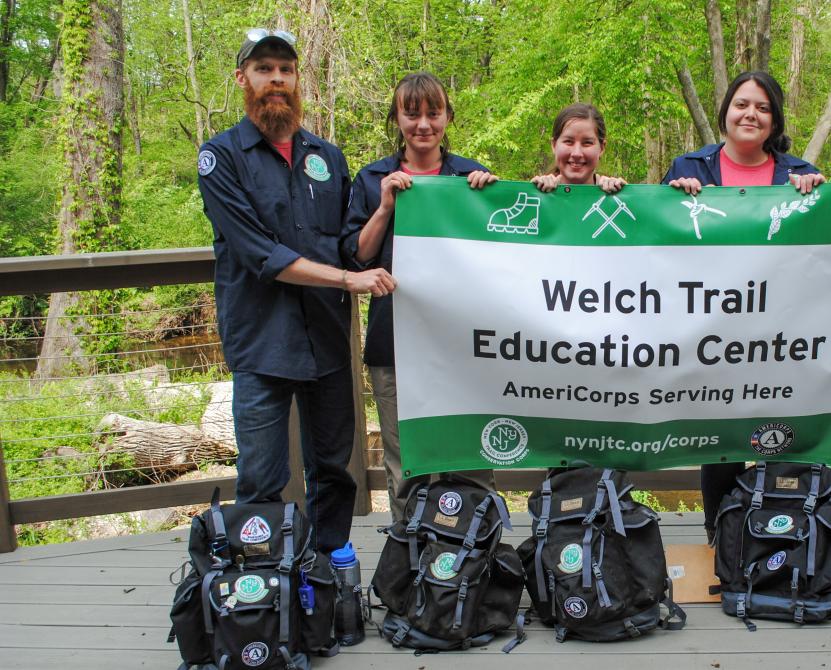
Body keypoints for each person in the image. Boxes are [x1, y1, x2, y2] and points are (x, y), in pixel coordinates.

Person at [197, 29, 395, 552]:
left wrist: (386, 212)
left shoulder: (327, 157)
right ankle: (265, 587)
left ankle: (327, 571)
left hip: (326, 341)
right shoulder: (221, 158)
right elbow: (261, 254)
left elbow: (348, 246)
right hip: (262, 343)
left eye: (285, 70)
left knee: (333, 468)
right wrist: (347, 280)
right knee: (262, 475)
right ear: (243, 80)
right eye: (264, 70)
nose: (277, 80)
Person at [662, 71, 824, 544]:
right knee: (720, 442)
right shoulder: (689, 166)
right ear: (726, 112)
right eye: (741, 104)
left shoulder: (798, 173)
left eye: (763, 107)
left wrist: (822, 194)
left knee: (777, 434)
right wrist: (672, 196)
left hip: (776, 333)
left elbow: (823, 245)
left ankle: (777, 538)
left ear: (774, 120)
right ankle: (721, 537)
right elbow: (658, 246)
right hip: (711, 331)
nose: (750, 114)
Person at [340, 72, 496, 523]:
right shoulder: (372, 178)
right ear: (397, 119)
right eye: (412, 114)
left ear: (448, 117)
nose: (423, 124)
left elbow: (502, 254)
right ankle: (410, 557)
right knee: (405, 458)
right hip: (395, 340)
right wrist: (386, 205)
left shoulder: (469, 175)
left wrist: (490, 198)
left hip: (466, 344)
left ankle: (473, 551)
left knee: (469, 453)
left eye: (433, 113)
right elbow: (357, 255)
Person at [530, 103, 626, 194]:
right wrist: (532, 191)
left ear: (601, 148)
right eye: (568, 141)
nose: (577, 153)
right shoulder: (537, 197)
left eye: (587, 143)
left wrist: (626, 195)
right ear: (554, 145)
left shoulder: (615, 198)